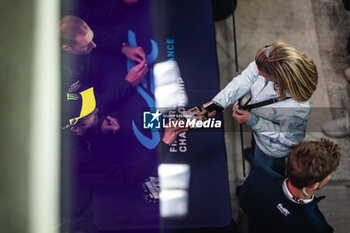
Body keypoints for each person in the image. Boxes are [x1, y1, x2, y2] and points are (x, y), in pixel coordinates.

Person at [61, 87, 188, 233]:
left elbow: (99, 105)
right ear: (75, 129)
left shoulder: (60, 120)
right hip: (77, 208)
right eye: (90, 112)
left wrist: (96, 127)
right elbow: (128, 176)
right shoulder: (76, 156)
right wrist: (166, 141)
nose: (96, 110)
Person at [201, 41, 318, 174]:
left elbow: (291, 139)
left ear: (279, 78)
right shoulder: (269, 60)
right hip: (259, 132)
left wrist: (254, 121)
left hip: (271, 149)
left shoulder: (295, 109)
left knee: (263, 172)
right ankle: (253, 155)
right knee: (255, 149)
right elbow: (246, 79)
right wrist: (218, 103)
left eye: (262, 74)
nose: (256, 71)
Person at [238, 138, 341, 233]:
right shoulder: (317, 227)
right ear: (314, 185)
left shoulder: (259, 176)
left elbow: (243, 202)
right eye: (329, 174)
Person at [60, 15, 148, 93]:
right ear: (66, 48)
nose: (94, 45)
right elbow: (88, 107)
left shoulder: (73, 28)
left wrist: (122, 47)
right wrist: (128, 84)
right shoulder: (64, 74)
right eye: (86, 45)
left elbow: (95, 34)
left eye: (92, 38)